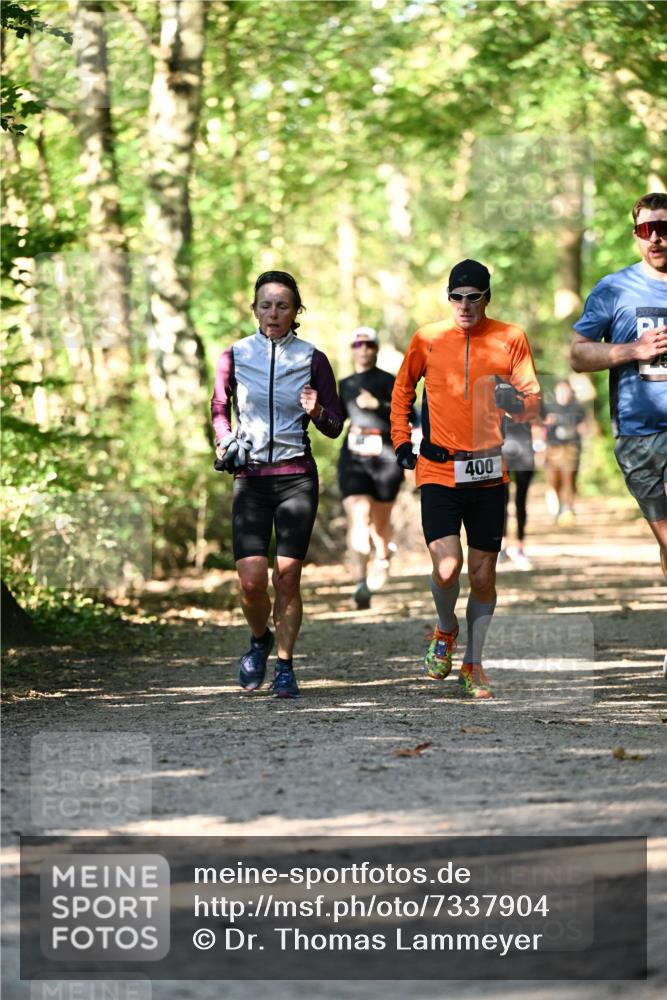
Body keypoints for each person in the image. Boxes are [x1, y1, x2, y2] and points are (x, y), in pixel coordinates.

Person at [391, 259, 541, 699]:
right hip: (438, 468)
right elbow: (402, 391)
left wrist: (514, 400)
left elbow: (533, 402)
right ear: (448, 298)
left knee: (482, 576)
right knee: (447, 567)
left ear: (486, 299)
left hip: (488, 471)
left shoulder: (510, 337)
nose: (464, 305)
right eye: (456, 297)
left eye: (473, 297)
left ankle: (473, 663)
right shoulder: (428, 338)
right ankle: (445, 628)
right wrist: (401, 440)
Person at [211, 271, 343, 698]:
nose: (273, 313)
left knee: (287, 577)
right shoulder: (235, 355)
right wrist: (225, 439)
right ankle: (259, 639)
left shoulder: (312, 359)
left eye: (282, 306)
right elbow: (219, 407)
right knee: (251, 581)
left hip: (296, 479)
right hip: (250, 479)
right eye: (266, 305)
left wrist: (317, 409)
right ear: (254, 309)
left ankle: (284, 665)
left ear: (295, 311)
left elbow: (334, 425)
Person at [570, 191, 667, 678]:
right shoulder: (614, 289)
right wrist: (633, 350)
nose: (657, 237)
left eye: (664, 227)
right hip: (639, 432)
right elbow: (578, 354)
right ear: (636, 235)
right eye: (647, 229)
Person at [337, 326, 405, 609]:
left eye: (369, 344)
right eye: (358, 344)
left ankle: (383, 555)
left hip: (386, 458)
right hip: (353, 459)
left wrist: (378, 404)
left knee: (379, 525)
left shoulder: (390, 381)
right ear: (352, 349)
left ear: (376, 348)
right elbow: (335, 421)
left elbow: (406, 415)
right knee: (358, 516)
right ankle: (361, 583)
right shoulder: (345, 384)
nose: (363, 349)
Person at [543, 379, 587, 526]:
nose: (563, 393)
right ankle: (556, 510)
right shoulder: (548, 407)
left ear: (570, 392)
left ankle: (567, 509)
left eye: (566, 390)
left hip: (571, 448)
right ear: (556, 391)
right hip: (552, 448)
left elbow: (584, 427)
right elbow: (539, 426)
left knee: (569, 479)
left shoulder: (578, 408)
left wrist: (581, 429)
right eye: (560, 390)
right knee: (554, 481)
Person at [499, 417, 537, 569]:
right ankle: (503, 547)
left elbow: (540, 420)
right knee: (501, 502)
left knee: (521, 502)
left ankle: (520, 547)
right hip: (502, 452)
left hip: (525, 453)